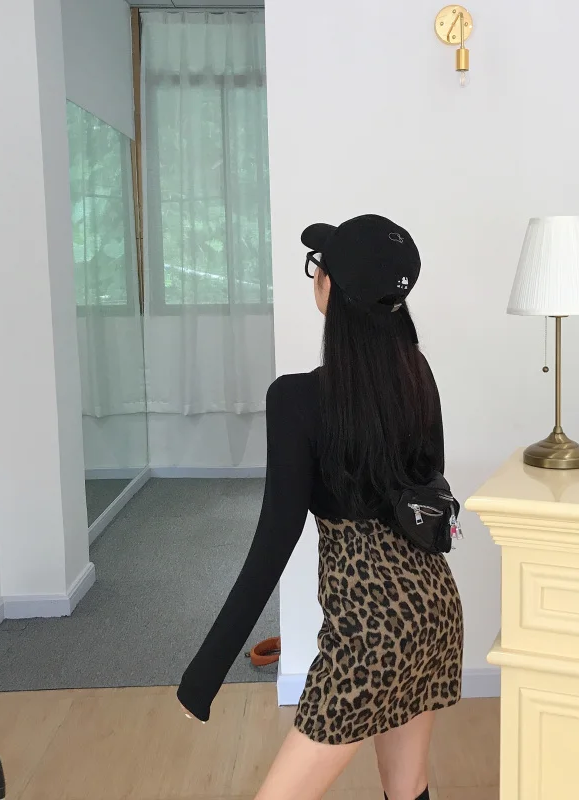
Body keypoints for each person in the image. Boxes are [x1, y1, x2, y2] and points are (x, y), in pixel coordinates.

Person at [177, 214, 464, 800]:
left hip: (371, 630)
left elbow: (273, 541)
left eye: (318, 267)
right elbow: (429, 487)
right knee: (407, 787)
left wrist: (204, 674)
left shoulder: (295, 399)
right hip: (435, 609)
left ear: (329, 287)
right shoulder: (418, 375)